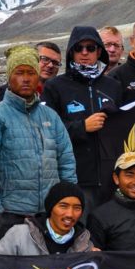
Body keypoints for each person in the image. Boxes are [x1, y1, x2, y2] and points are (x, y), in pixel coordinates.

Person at [0, 46, 77, 250]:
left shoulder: (51, 117)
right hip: (10, 215)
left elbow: (66, 161)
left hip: (49, 216)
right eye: (19, 72)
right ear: (9, 76)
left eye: (31, 73)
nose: (25, 79)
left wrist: (68, 203)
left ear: (37, 76)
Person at [42, 26, 123, 211]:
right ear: (71, 52)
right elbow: (47, 129)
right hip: (74, 179)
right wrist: (82, 127)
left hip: (110, 178)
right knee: (79, 227)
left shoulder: (113, 86)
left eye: (90, 48)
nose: (84, 53)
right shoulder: (55, 86)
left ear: (99, 52)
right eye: (79, 48)